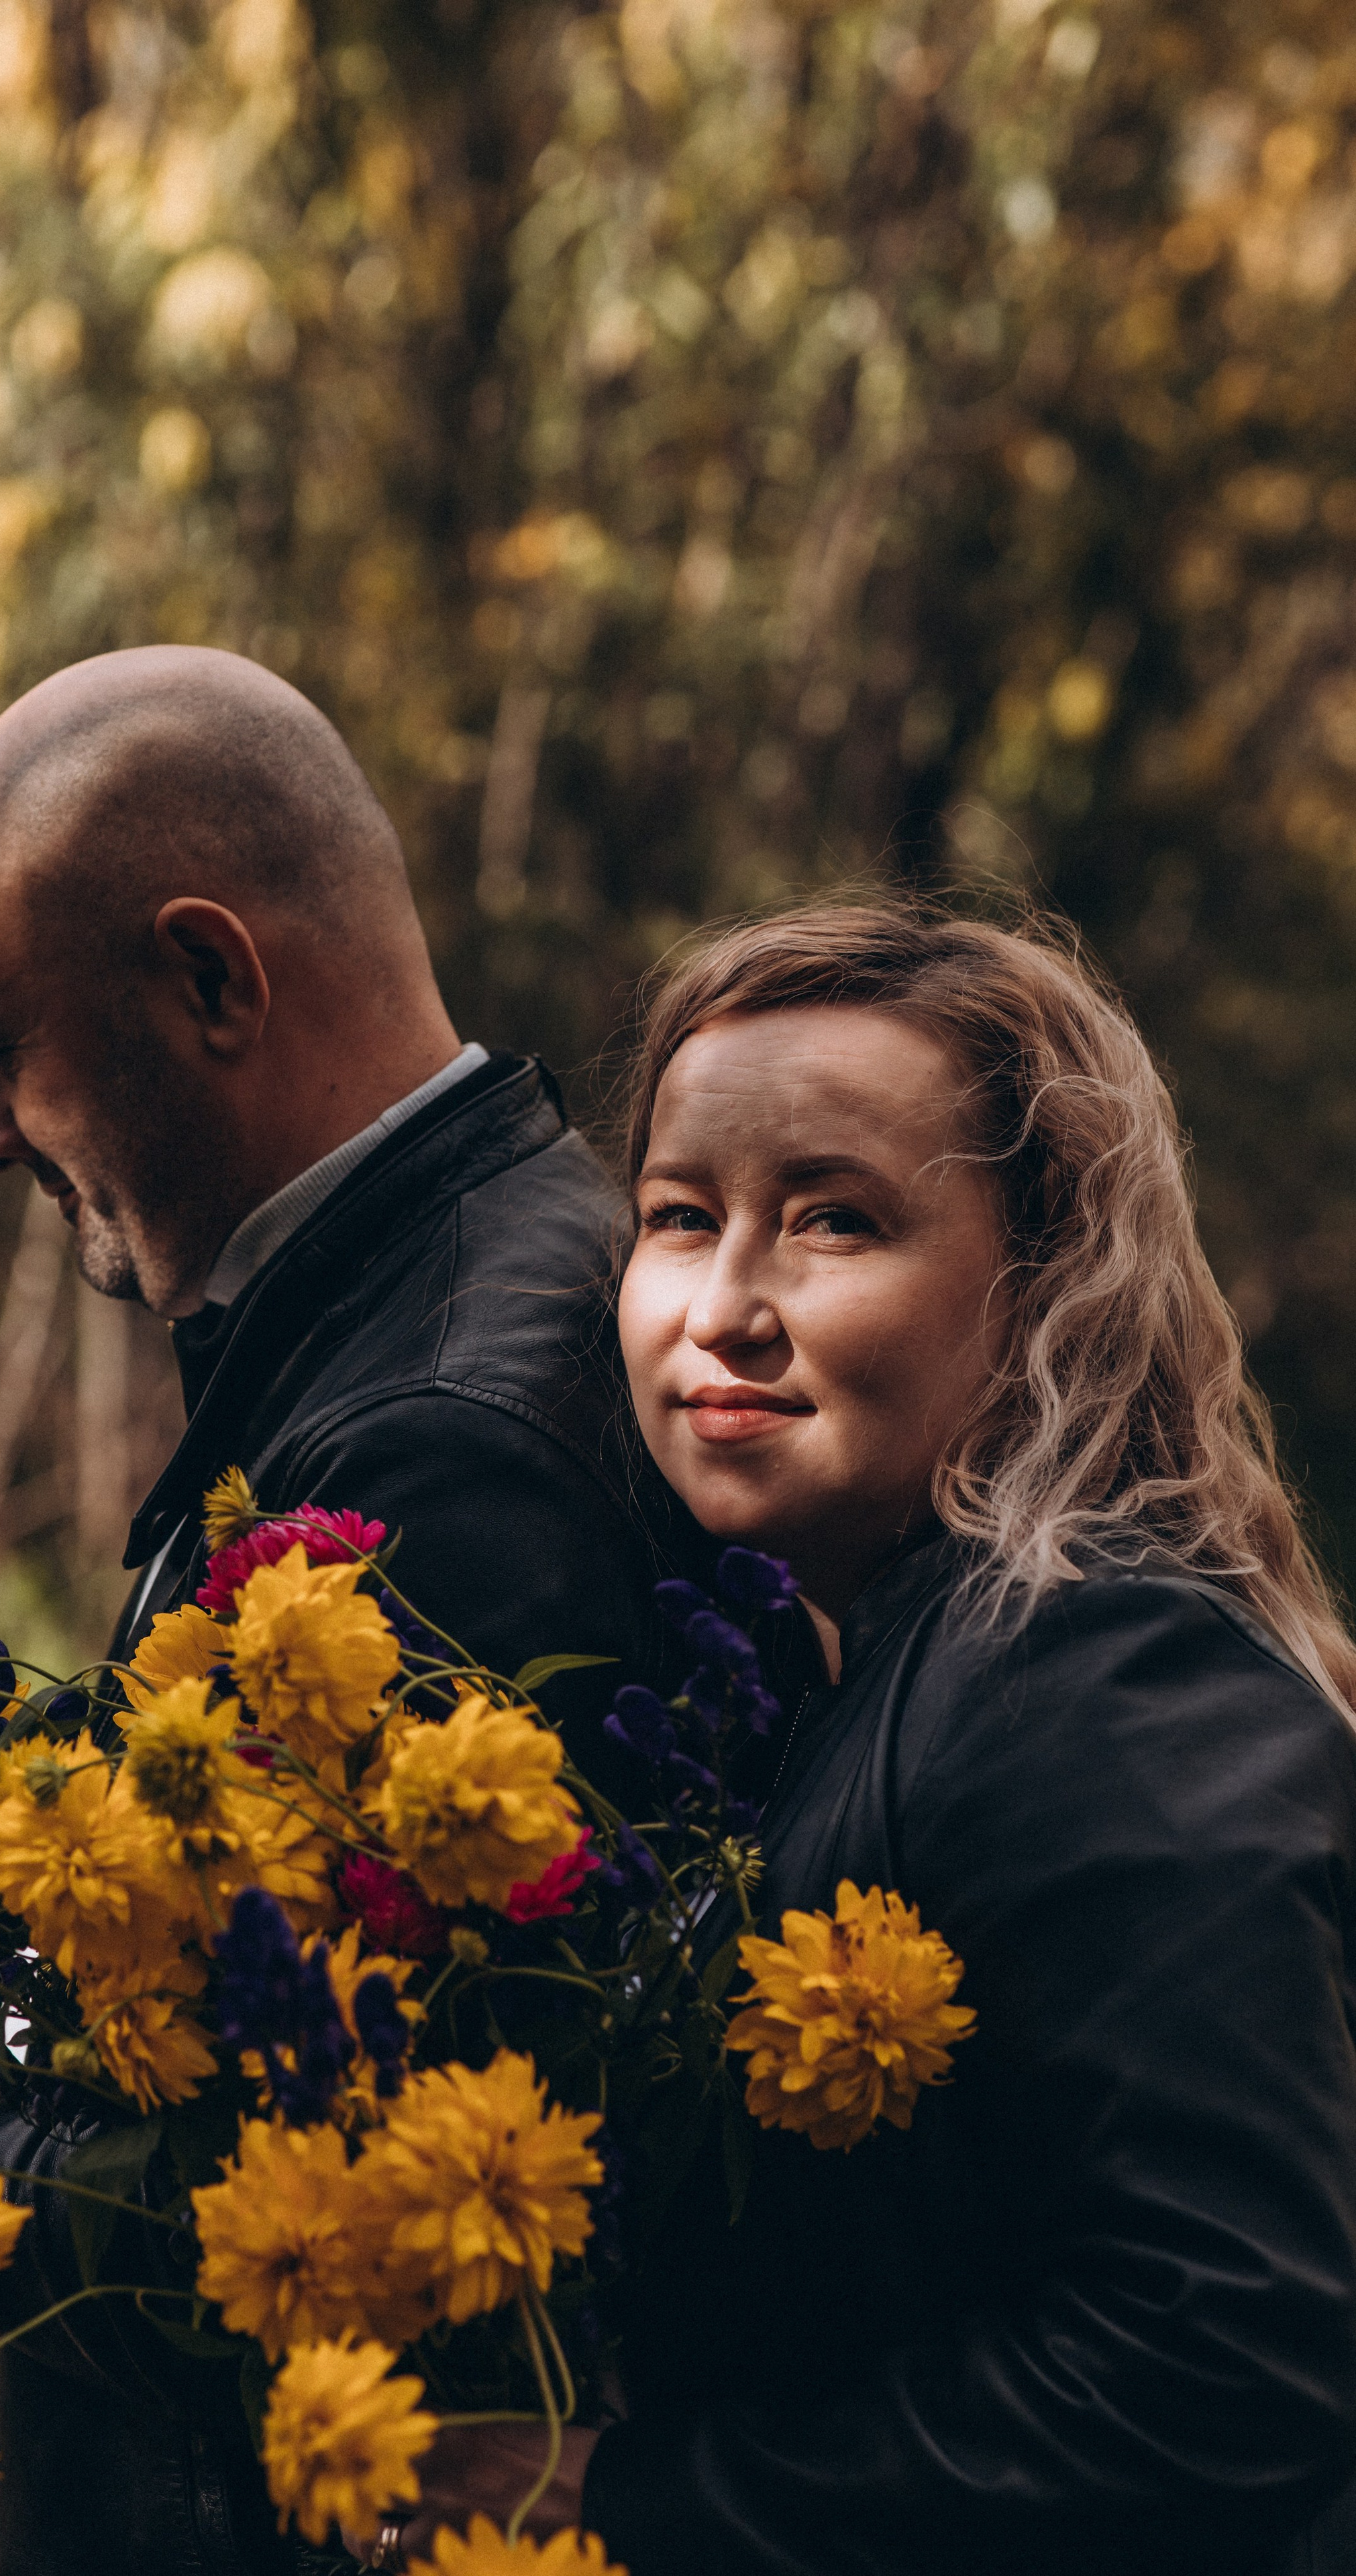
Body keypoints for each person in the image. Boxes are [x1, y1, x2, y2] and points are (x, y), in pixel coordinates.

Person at [0, 647, 694, 2576]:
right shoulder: (390, 1315)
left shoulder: (445, 1435)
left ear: (212, 979)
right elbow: (195, 2013)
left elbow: (290, 2221)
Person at [396, 904, 1356, 2574]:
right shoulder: (863, 1658)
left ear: (1048, 1282)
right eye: (680, 1216)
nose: (724, 1303)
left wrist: (622, 2499)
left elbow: (1234, 2365)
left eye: (833, 1222)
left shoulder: (1097, 1670)